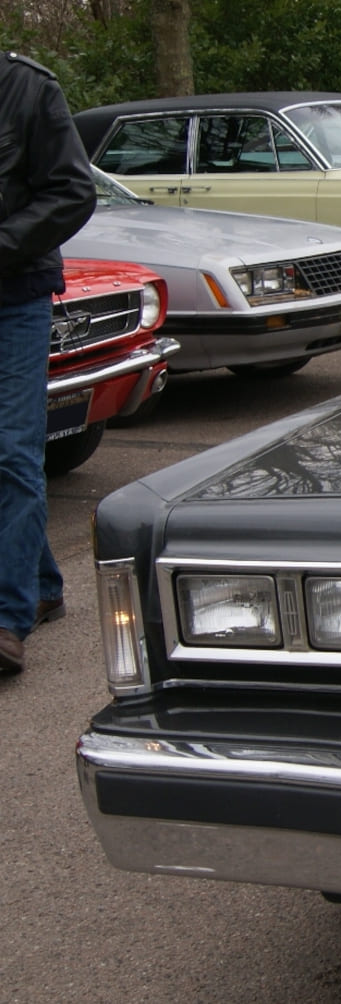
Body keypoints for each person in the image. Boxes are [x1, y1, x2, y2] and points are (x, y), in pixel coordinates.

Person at [0, 51, 96, 676]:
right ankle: (43, 585)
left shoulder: (26, 87)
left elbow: (72, 192)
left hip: (14, 297)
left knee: (11, 450)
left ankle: (6, 618)